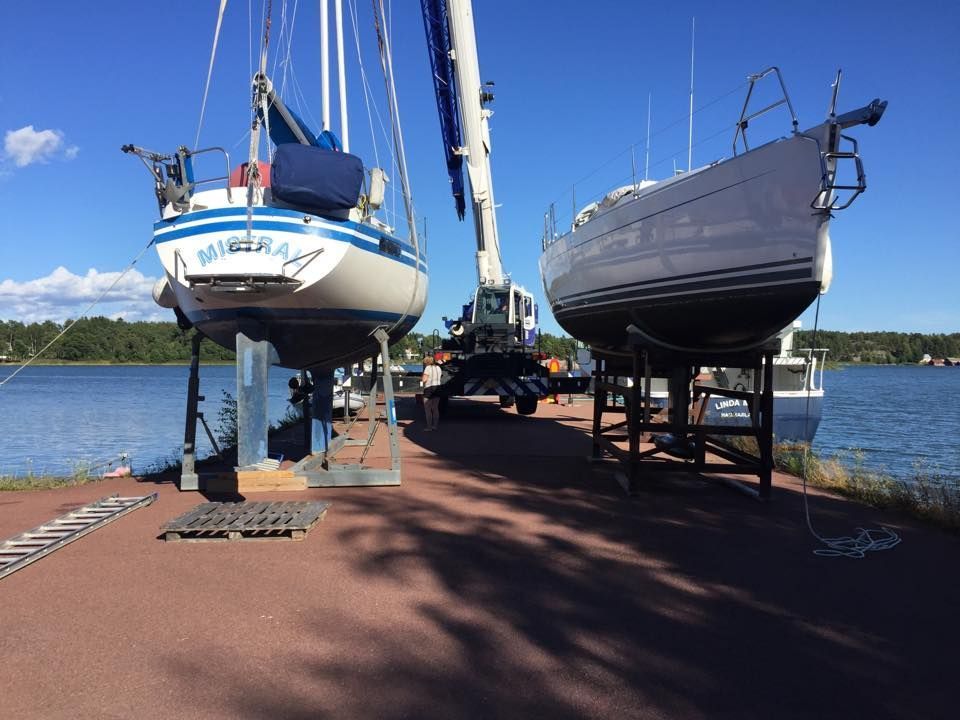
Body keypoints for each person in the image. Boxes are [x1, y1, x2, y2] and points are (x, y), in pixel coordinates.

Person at [421, 356, 443, 431]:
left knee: (428, 409)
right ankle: (435, 426)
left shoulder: (428, 368)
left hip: (429, 388)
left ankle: (429, 427)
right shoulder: (438, 368)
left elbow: (424, 379)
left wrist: (421, 378)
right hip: (438, 388)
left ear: (427, 362)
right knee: (435, 408)